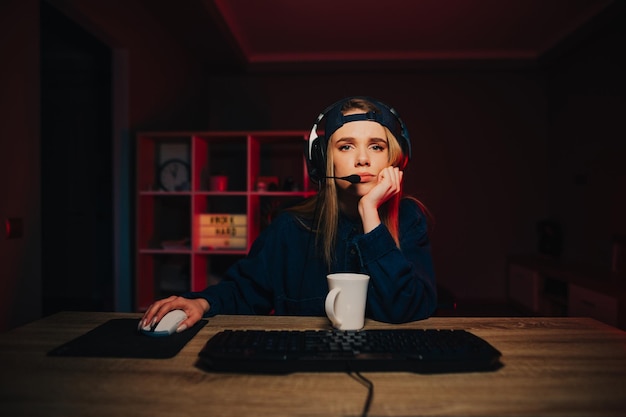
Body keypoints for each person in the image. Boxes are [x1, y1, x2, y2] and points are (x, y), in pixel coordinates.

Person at [140, 96, 437, 332]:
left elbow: (406, 309)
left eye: (376, 146)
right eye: (346, 147)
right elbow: (245, 289)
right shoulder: (290, 227)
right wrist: (202, 303)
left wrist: (370, 215)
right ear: (322, 161)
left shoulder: (409, 219)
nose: (362, 159)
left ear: (395, 158)